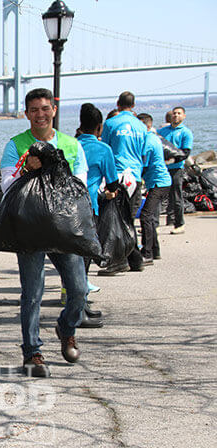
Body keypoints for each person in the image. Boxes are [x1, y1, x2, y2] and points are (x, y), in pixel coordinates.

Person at [0, 87, 89, 378]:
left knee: (79, 289)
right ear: (27, 114)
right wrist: (27, 168)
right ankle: (32, 352)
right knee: (32, 293)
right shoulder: (16, 145)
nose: (40, 114)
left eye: (45, 108)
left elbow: (80, 185)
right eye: (34, 110)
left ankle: (67, 328)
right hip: (30, 229)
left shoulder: (72, 145)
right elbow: (6, 186)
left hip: (64, 229)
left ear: (54, 110)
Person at [75, 103, 119, 323]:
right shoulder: (103, 150)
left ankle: (81, 304)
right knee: (83, 260)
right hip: (89, 206)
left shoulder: (70, 145)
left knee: (77, 258)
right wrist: (111, 192)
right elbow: (112, 182)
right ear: (100, 128)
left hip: (68, 208)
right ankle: (78, 310)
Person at [101, 91, 148, 272]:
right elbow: (143, 152)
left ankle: (122, 260)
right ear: (133, 105)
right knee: (129, 218)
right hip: (135, 175)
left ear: (118, 104)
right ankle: (134, 259)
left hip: (117, 175)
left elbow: (105, 149)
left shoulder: (111, 123)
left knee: (116, 220)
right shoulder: (141, 127)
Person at [137, 113, 172, 263]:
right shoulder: (153, 138)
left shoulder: (148, 142)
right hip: (160, 182)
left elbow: (143, 165)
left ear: (147, 126)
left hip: (159, 182)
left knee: (145, 216)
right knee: (149, 216)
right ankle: (155, 249)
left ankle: (147, 252)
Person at [158, 106, 193, 234]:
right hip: (161, 169)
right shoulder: (162, 131)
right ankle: (153, 224)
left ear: (183, 116)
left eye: (179, 113)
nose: (176, 115)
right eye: (174, 113)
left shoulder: (186, 132)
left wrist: (171, 161)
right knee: (156, 196)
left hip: (176, 169)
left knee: (176, 197)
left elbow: (185, 153)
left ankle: (179, 224)